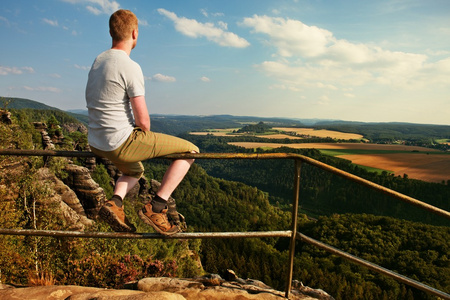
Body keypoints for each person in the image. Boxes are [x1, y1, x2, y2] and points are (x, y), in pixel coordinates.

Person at [85, 9, 199, 235]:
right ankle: (156, 207)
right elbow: (143, 122)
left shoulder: (99, 60)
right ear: (135, 33)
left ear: (111, 32)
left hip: (96, 142)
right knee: (191, 151)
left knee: (135, 171)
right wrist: (139, 136)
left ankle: (115, 203)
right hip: (120, 142)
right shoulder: (130, 66)